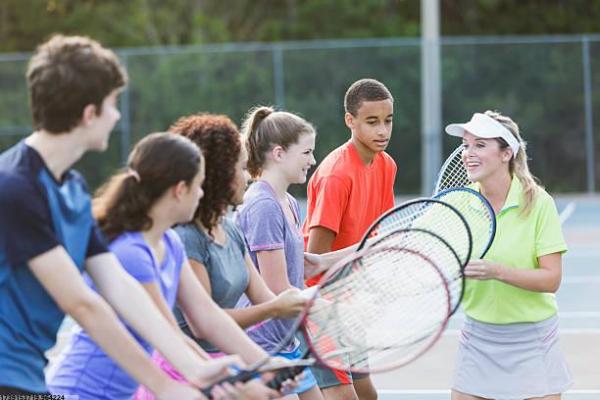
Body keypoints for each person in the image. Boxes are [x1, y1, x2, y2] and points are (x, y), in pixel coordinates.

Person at [0, 34, 218, 398]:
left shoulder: (70, 187)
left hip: (26, 381)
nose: (117, 115)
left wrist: (194, 367)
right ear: (89, 114)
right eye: (113, 104)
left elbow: (118, 286)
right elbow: (81, 303)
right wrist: (163, 385)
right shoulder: (15, 188)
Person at [47, 132, 279, 400]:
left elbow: (207, 315)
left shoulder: (170, 241)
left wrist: (265, 365)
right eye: (199, 185)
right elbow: (170, 333)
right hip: (81, 392)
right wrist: (235, 382)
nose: (203, 193)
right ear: (180, 190)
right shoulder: (132, 254)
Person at [134, 114, 308, 399]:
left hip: (214, 365)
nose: (248, 176)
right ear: (217, 176)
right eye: (241, 168)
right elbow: (201, 327)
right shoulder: (182, 238)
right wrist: (275, 312)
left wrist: (262, 364)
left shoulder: (229, 228)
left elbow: (256, 301)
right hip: (182, 372)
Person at [445, 111, 572, 400]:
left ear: (506, 154)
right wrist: (328, 260)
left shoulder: (539, 204)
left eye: (479, 145)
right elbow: (410, 243)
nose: (468, 153)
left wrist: (496, 271)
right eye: (465, 145)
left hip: (533, 339)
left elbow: (552, 279)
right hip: (478, 338)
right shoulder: (459, 203)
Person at [302, 78, 396, 400]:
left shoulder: (387, 165)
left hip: (353, 301)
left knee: (366, 390)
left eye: (387, 120)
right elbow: (313, 263)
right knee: (343, 395)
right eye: (372, 122)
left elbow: (377, 236)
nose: (382, 130)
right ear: (350, 121)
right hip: (321, 305)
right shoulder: (336, 175)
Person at [235, 106, 324, 400]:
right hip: (260, 345)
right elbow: (277, 290)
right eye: (306, 152)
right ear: (279, 153)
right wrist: (330, 309)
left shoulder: (287, 202)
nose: (312, 160)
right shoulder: (263, 206)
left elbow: (298, 269)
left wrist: (360, 251)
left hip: (286, 340)